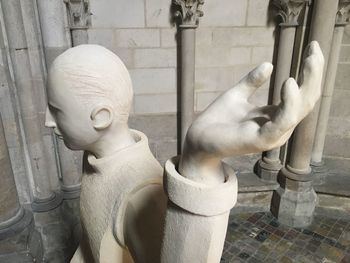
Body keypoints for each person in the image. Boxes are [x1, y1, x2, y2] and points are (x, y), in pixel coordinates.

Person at [45, 42, 324, 263]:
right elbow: (92, 244)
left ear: (100, 117)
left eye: (56, 111)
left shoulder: (138, 194)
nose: (47, 121)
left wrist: (200, 164)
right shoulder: (96, 159)